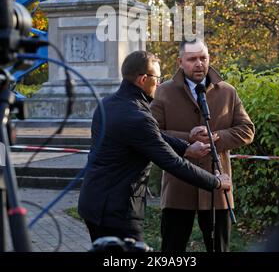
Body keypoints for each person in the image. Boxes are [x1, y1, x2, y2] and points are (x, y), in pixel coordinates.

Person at [78, 50, 231, 243]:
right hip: (117, 211)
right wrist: (216, 182)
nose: (159, 84)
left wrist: (186, 148)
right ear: (143, 79)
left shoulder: (108, 104)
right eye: (157, 78)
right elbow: (173, 163)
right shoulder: (138, 117)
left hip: (92, 202)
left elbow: (153, 136)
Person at [151, 39, 255, 252]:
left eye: (203, 58)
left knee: (219, 249)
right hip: (178, 185)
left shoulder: (227, 91)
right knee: (172, 250)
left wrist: (215, 136)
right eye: (192, 59)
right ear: (180, 61)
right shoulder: (164, 92)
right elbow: (151, 133)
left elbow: (247, 130)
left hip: (218, 188)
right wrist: (188, 139)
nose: (199, 63)